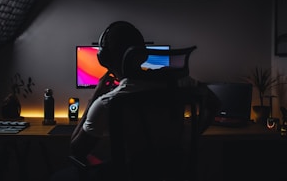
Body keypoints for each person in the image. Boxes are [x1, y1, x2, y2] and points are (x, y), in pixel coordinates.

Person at [50, 20, 220, 181]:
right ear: (142, 53)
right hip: (174, 170)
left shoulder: (108, 102)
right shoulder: (181, 81)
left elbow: (77, 150)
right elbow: (215, 104)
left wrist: (96, 95)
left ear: (104, 58)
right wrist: (190, 138)